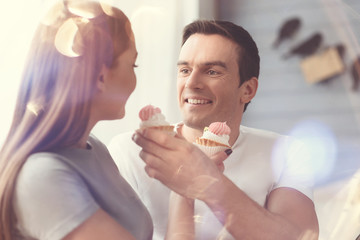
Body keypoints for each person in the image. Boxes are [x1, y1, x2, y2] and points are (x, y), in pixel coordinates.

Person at [108, 20, 319, 239]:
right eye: (185, 70)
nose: (191, 83)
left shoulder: (286, 152)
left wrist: (207, 182)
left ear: (247, 90)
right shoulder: (130, 151)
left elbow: (300, 237)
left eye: (212, 71)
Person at [0, 1, 154, 239]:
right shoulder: (43, 176)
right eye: (132, 64)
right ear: (101, 76)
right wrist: (186, 190)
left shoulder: (95, 148)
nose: (135, 79)